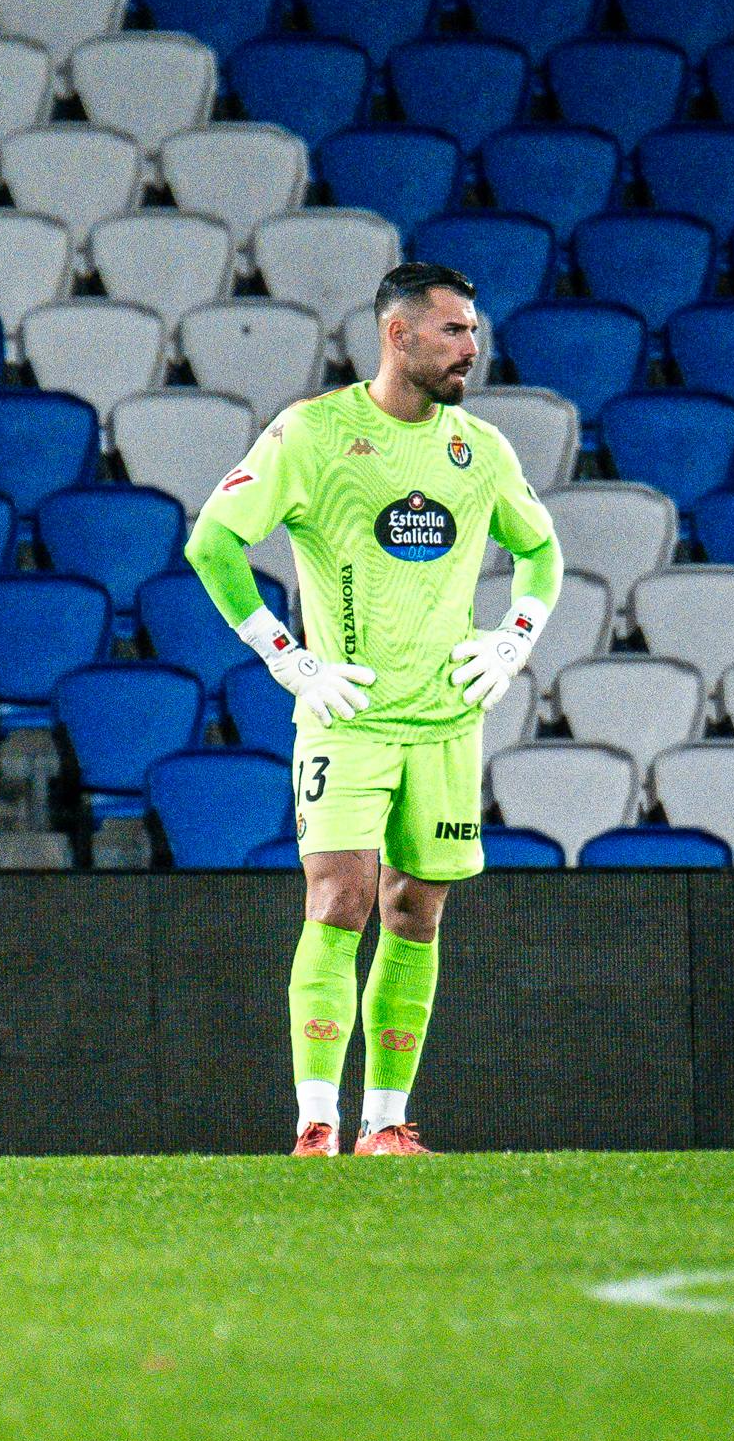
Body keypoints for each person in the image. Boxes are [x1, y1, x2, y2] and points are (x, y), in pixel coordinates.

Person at [184, 262, 564, 1156]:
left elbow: (543, 553)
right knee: (339, 895)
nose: (473, 348)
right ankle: (315, 1118)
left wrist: (512, 639)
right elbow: (214, 542)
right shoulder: (313, 433)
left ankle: (384, 1124)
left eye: (473, 331)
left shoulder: (482, 450)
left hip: (445, 720)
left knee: (414, 912)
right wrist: (288, 659)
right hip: (345, 714)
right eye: (454, 331)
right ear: (398, 334)